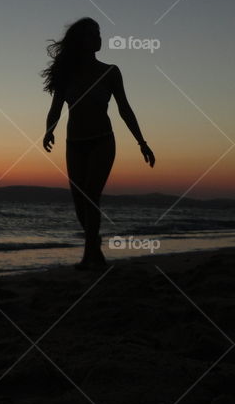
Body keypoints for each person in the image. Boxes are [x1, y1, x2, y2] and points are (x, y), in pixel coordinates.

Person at [41, 18, 155, 268]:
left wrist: (141, 142)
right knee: (79, 203)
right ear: (81, 41)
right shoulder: (66, 75)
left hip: (102, 141)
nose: (99, 39)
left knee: (91, 196)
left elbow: (125, 109)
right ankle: (95, 244)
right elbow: (55, 109)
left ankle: (88, 255)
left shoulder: (110, 72)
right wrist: (49, 131)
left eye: (99, 34)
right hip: (74, 144)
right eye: (93, 35)